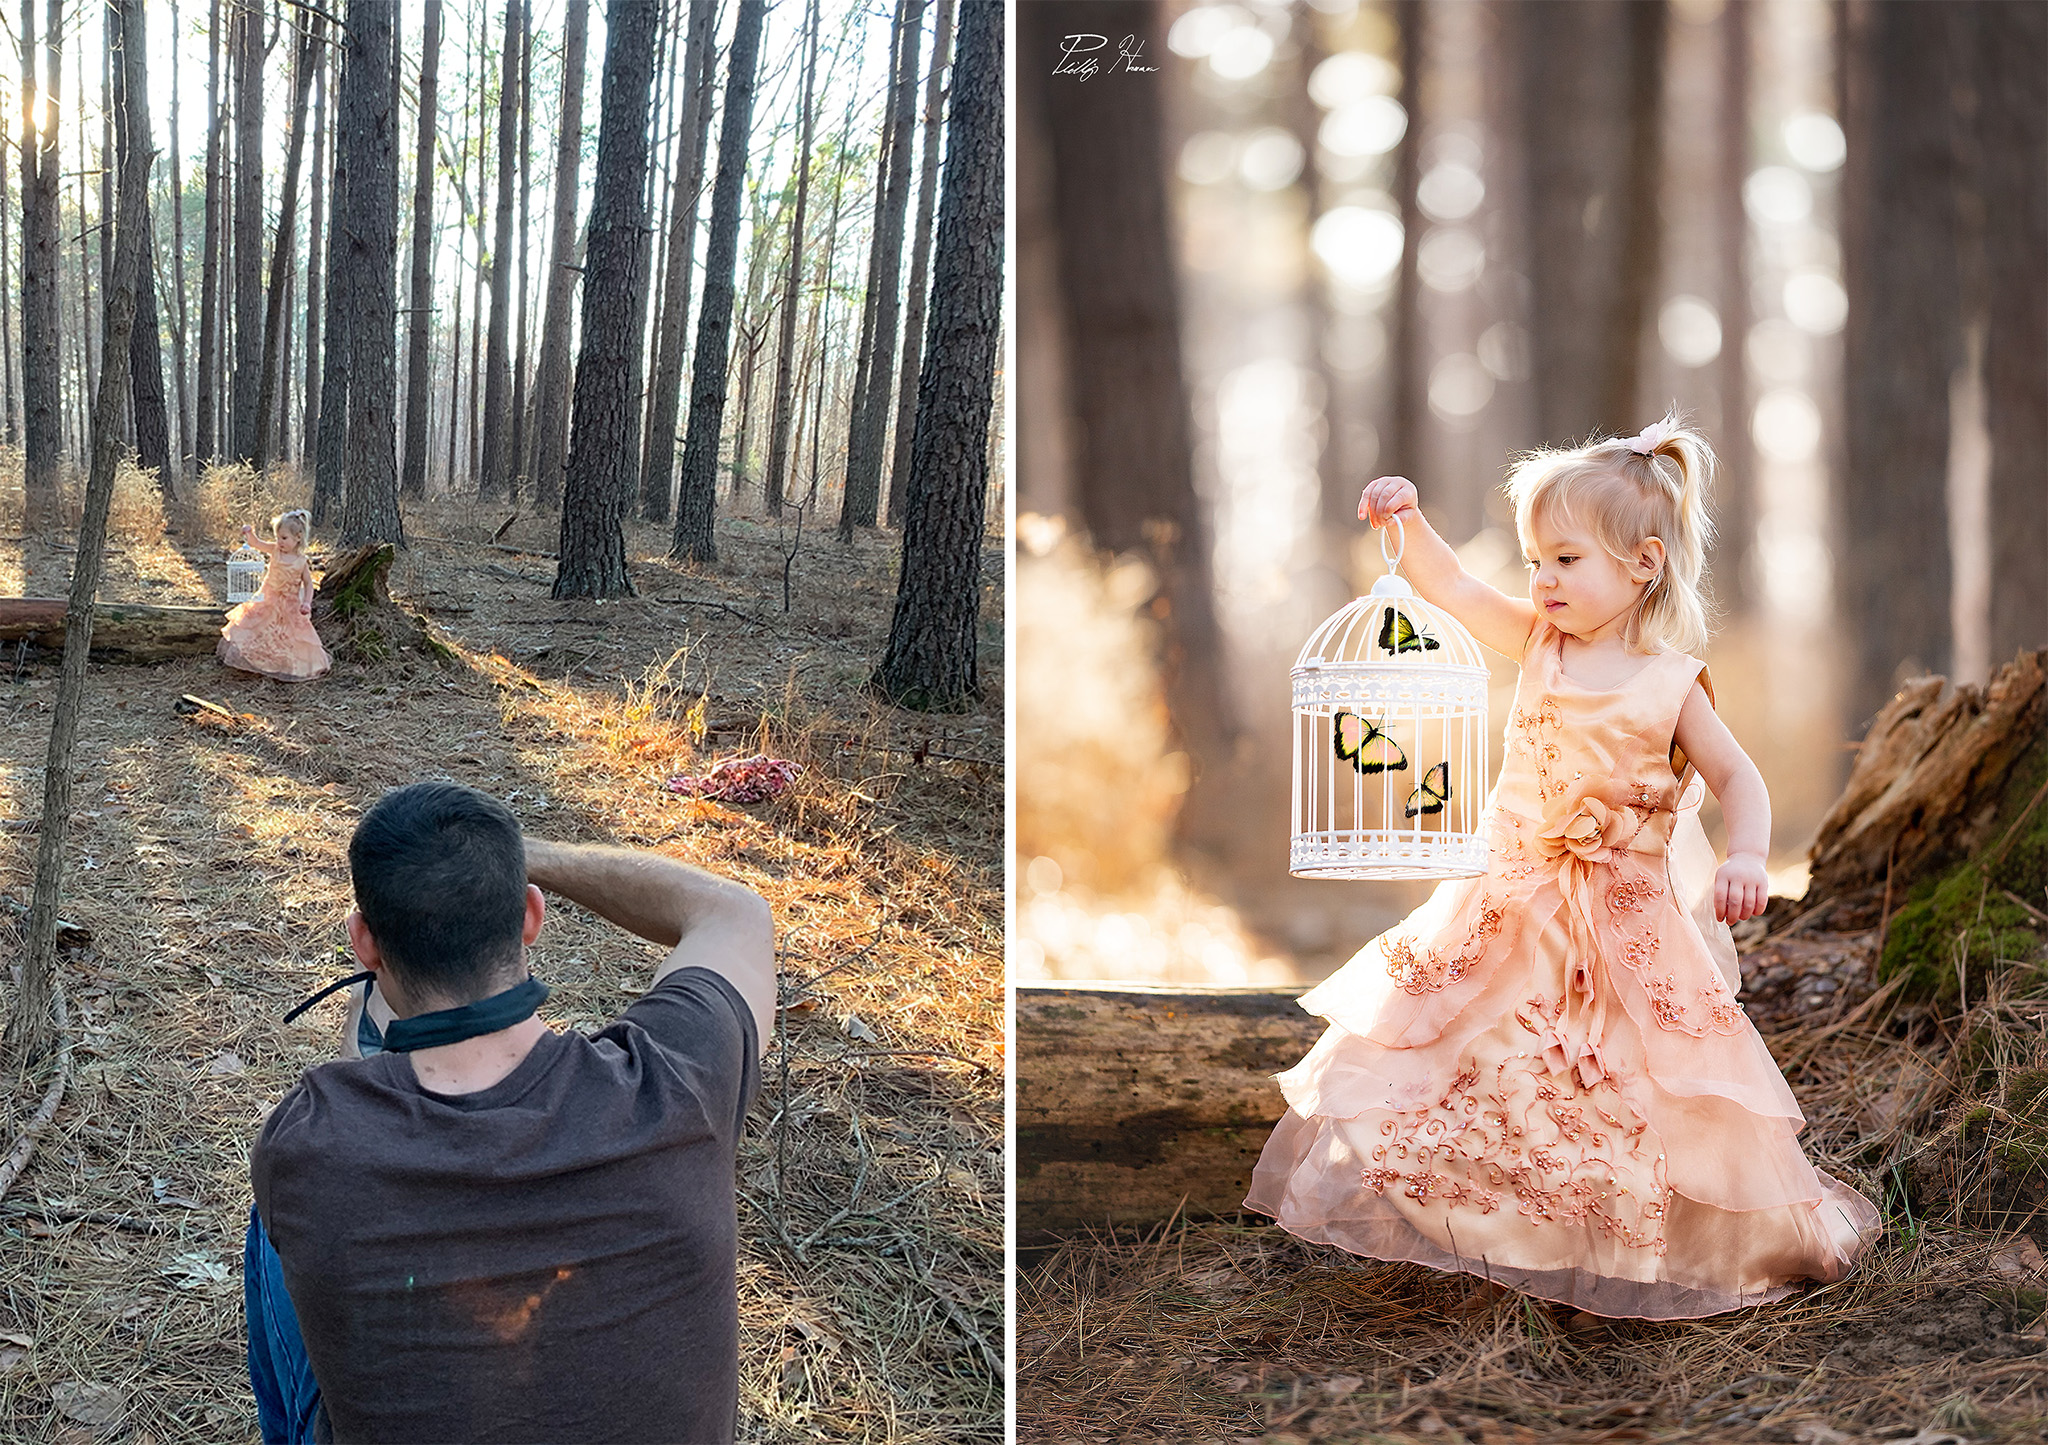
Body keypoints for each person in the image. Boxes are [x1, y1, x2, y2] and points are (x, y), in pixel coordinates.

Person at [1245, 415, 1879, 1320]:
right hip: (1512, 899)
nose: (1542, 579)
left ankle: (1616, 1240)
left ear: (1643, 564)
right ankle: (1498, 1234)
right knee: (1482, 1053)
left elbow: (1740, 777)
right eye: (1536, 558)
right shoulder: (1540, 643)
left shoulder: (1672, 681)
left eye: (1566, 560)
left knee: (1620, 1077)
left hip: (1623, 920)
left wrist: (1745, 853)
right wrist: (1410, 522)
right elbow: (1457, 586)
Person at [244, 780, 775, 1442]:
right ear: (530, 914)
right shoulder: (680, 1079)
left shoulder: (309, 1143)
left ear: (364, 943)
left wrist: (375, 1068)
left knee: (274, 1234)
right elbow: (737, 912)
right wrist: (529, 854)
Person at [219, 511, 331, 683]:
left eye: (284, 538)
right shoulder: (275, 550)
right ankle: (259, 663)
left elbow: (308, 584)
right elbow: (256, 544)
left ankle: (283, 666)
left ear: (298, 538)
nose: (280, 542)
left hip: (290, 603)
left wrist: (307, 602)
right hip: (268, 597)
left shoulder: (301, 561)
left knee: (287, 635)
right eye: (278, 537)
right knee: (258, 626)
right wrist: (249, 533)